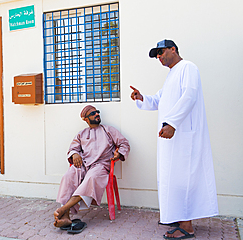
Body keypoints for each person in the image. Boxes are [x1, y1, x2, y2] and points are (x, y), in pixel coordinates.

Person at [130, 39, 218, 239]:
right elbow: (159, 101)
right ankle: (178, 217)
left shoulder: (188, 68)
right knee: (172, 178)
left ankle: (187, 227)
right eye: (157, 55)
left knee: (183, 178)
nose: (159, 57)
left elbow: (190, 96)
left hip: (184, 136)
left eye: (161, 52)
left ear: (173, 49)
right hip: (172, 137)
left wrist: (172, 124)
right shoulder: (171, 76)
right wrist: (141, 98)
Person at [54, 105, 130, 233]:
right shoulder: (81, 134)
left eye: (97, 112)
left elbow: (124, 143)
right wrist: (75, 154)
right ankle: (65, 216)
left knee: (92, 177)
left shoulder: (108, 130)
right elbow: (73, 148)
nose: (97, 114)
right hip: (84, 164)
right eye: (93, 113)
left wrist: (119, 154)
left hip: (101, 165)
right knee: (69, 175)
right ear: (86, 119)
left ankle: (62, 209)